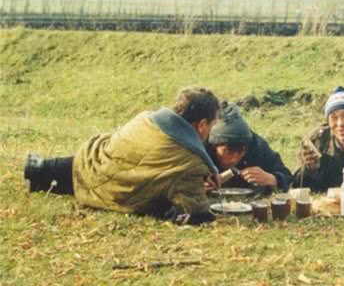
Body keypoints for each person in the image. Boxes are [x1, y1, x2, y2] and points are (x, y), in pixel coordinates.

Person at [23, 86, 222, 225]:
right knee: (112, 175)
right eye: (212, 125)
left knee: (92, 161)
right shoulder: (190, 162)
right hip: (118, 193)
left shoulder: (145, 119)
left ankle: (40, 168)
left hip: (93, 163)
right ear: (202, 124)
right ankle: (42, 172)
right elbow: (196, 213)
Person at [204, 101, 293, 195]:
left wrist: (272, 179)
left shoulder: (256, 146)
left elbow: (288, 178)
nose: (234, 159)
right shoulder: (201, 149)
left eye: (241, 151)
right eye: (228, 151)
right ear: (214, 145)